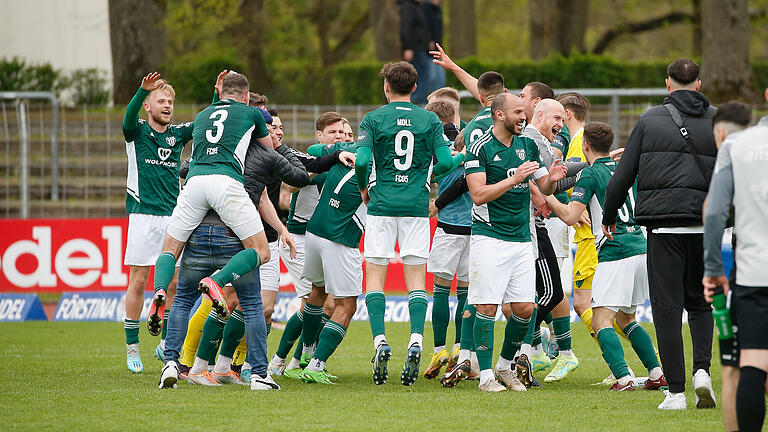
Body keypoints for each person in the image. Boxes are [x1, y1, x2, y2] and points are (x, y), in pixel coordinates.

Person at [601, 58, 717, 410]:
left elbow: (623, 173)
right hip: (705, 223)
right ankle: (702, 371)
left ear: (668, 83)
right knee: (700, 302)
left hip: (664, 225)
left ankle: (677, 393)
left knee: (668, 307)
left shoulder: (650, 119)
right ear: (698, 84)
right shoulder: (717, 118)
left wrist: (609, 214)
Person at [154, 70, 277, 387]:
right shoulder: (251, 112)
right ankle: (217, 281)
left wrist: (216, 92)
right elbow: (265, 148)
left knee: (171, 253)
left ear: (219, 92)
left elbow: (211, 121)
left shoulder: (203, 113)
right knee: (260, 251)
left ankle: (169, 361)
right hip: (226, 183)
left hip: (194, 183)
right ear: (247, 96)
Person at [446, 93, 566, 392]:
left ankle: (504, 366)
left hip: (522, 238)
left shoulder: (527, 144)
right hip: (489, 237)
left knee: (525, 308)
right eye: (518, 113)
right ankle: (485, 376)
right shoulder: (479, 148)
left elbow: (543, 184)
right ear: (500, 115)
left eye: (524, 113)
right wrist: (514, 181)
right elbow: (478, 194)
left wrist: (551, 178)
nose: (523, 117)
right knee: (486, 306)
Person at [354, 61, 456, 386]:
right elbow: (449, 162)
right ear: (415, 88)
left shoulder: (373, 118)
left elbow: (360, 160)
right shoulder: (430, 119)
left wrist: (364, 189)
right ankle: (416, 340)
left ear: (386, 87)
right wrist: (428, 181)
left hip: (382, 205)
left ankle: (380, 341)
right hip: (415, 206)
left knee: (376, 278)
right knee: (415, 281)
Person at [545, 122, 667, 392]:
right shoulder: (626, 169)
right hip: (640, 248)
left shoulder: (590, 174)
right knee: (627, 319)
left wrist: (543, 195)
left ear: (585, 146)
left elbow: (569, 216)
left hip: (615, 252)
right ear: (610, 145)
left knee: (601, 320)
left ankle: (623, 378)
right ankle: (657, 373)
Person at [122, 72, 191, 373]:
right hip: (142, 215)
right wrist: (141, 91)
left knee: (174, 284)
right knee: (138, 281)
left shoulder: (176, 135)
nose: (167, 105)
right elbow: (126, 119)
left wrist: (218, 98)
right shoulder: (136, 132)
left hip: (173, 217)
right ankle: (132, 346)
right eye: (161, 101)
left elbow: (204, 124)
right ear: (148, 107)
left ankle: (166, 346)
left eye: (171, 102)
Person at [274, 112, 350, 379]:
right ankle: (283, 359)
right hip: (299, 238)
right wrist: (316, 171)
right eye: (334, 133)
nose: (340, 138)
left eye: (344, 134)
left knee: (323, 303)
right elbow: (289, 184)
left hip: (325, 239)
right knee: (317, 303)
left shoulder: (345, 164)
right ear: (320, 136)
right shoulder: (314, 157)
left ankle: (297, 361)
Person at [703, 100, 763, 432]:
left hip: (754, 272)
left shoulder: (737, 145)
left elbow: (713, 212)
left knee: (750, 364)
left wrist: (713, 268)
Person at [519, 99, 585, 383]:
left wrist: (586, 165)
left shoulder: (538, 140)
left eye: (563, 118)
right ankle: (519, 353)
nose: (560, 124)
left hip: (534, 224)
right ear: (540, 113)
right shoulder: (531, 139)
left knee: (544, 293)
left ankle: (531, 350)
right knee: (547, 293)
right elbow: (545, 182)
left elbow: (549, 181)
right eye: (556, 118)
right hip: (528, 226)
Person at [296, 139, 364, 384]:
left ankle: (306, 353)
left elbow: (313, 150)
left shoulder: (350, 150)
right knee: (347, 306)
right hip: (341, 237)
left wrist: (338, 151)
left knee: (318, 291)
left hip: (314, 231)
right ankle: (316, 365)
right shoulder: (383, 163)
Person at [422, 100, 468, 380]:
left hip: (448, 226)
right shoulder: (471, 142)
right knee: (465, 291)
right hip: (475, 228)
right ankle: (461, 349)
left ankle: (439, 348)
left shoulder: (436, 149)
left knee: (440, 290)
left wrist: (436, 203)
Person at [399, 0, 433, 104]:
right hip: (415, 49)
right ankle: (417, 101)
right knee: (420, 75)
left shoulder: (417, 6)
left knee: (423, 76)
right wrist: (408, 47)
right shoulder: (408, 6)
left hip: (421, 48)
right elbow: (406, 27)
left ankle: (418, 100)